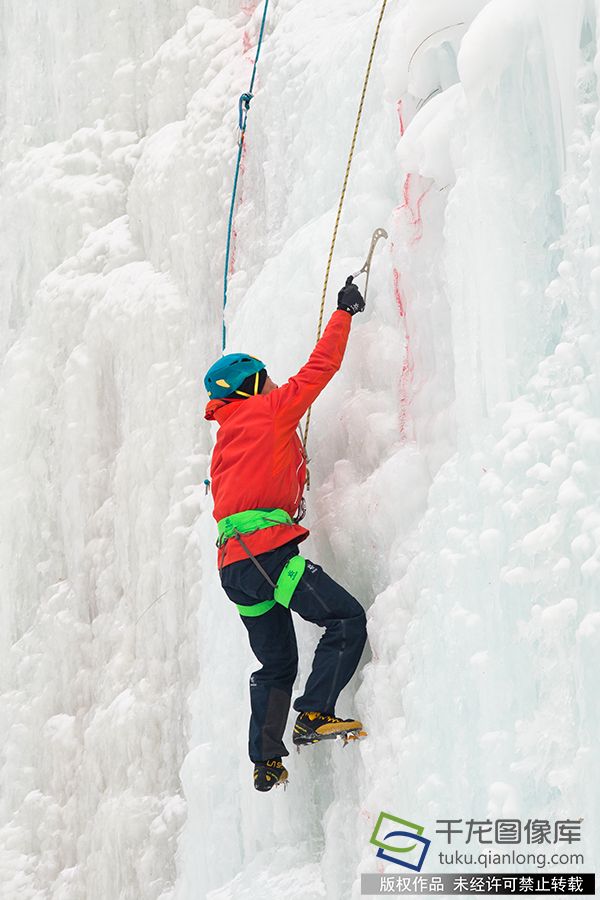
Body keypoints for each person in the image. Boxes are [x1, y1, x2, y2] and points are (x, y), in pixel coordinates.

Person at [203, 277, 368, 792]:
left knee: (276, 662)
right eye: (265, 377)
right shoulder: (267, 411)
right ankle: (315, 713)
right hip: (266, 556)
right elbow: (320, 370)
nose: (274, 383)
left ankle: (266, 759)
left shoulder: (226, 435)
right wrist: (344, 313)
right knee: (345, 618)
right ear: (250, 385)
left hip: (235, 570)